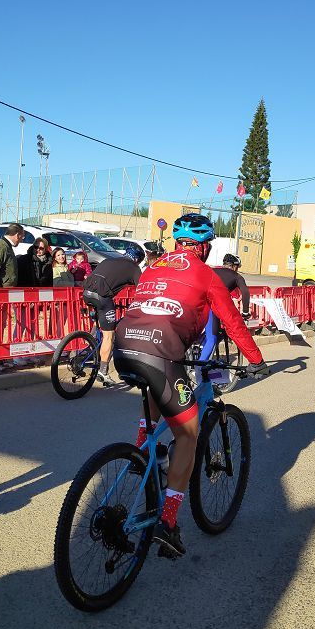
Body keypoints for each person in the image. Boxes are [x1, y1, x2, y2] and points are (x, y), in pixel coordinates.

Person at [113, 214, 268, 559]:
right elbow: (232, 321)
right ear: (205, 246)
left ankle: (142, 452)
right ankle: (168, 524)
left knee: (157, 388)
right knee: (187, 433)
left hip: (124, 345)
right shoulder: (206, 274)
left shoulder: (153, 267)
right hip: (160, 349)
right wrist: (256, 360)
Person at [83, 245, 143, 384]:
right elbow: (141, 290)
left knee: (100, 324)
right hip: (103, 296)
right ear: (137, 259)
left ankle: (89, 349)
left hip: (86, 292)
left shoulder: (108, 260)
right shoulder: (134, 268)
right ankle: (103, 372)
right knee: (109, 335)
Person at [0, 223, 24, 288]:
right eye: (22, 237)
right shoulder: (0, 247)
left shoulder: (7, 246)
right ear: (17, 235)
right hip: (2, 292)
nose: (22, 240)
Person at [214, 253, 251, 319]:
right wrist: (245, 312)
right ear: (234, 266)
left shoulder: (212, 270)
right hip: (218, 306)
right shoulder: (237, 276)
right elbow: (245, 293)